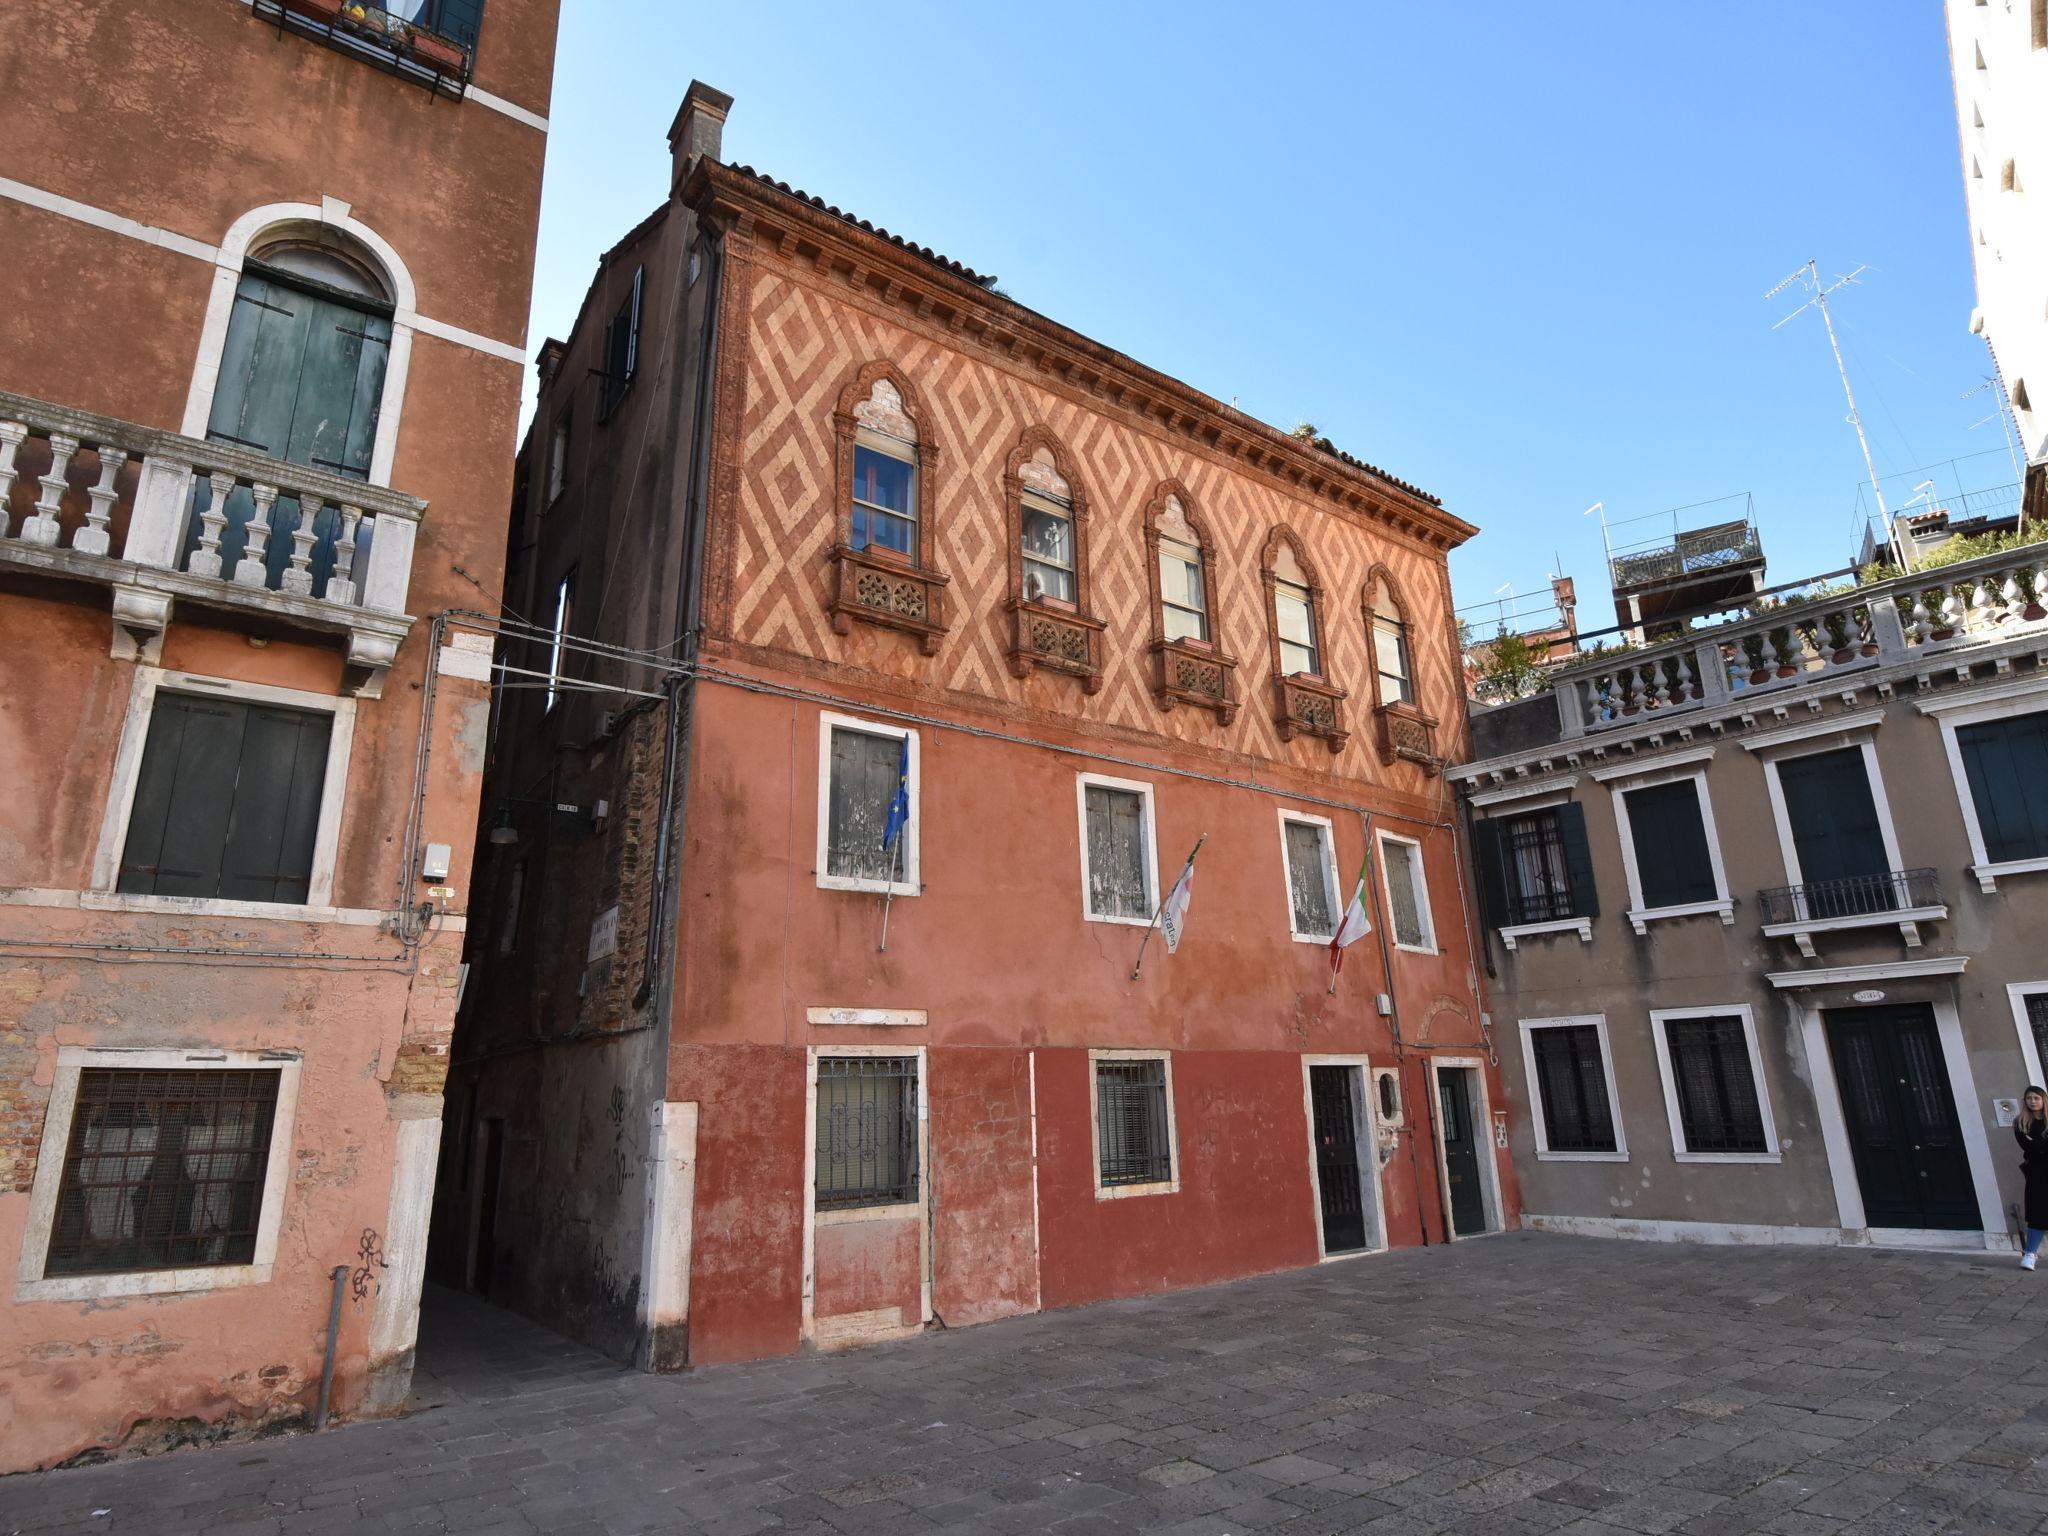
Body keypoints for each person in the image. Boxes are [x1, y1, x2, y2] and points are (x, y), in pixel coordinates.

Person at [2017, 1086, 2048, 1270]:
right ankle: (2030, 1254)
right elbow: (2029, 1148)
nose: (2032, 1101)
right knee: (2037, 1213)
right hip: (2037, 1174)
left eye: (2036, 1098)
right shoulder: (2021, 1123)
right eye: (2029, 1098)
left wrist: (2039, 1144)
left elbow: (2037, 1146)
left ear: (2043, 1100)